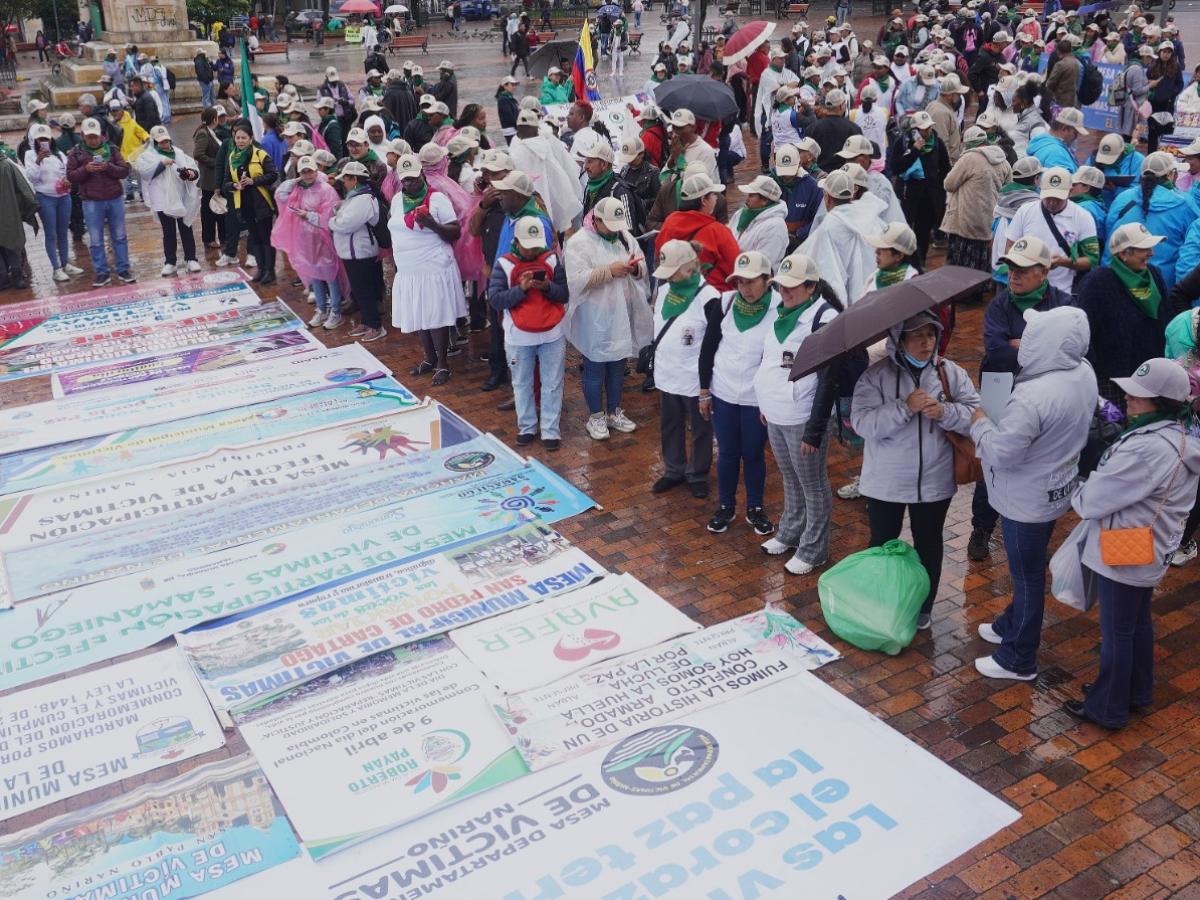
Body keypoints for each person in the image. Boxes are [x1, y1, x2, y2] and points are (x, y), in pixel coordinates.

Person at [1065, 358, 1200, 728]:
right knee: (1137, 621)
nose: (1128, 398)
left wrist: (1082, 483)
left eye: (1139, 395)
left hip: (1125, 550)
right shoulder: (1183, 432)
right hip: (1153, 547)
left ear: (1161, 402)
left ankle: (1107, 707)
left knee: (1117, 632)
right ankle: (1137, 691)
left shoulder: (1146, 449)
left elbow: (1091, 501)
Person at [972, 296, 1096, 679]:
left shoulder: (1033, 396)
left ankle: (1018, 658)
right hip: (1055, 486)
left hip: (1023, 497)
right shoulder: (1084, 371)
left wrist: (979, 421)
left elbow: (1001, 451)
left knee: (1026, 577)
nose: (1025, 338)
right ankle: (1010, 624)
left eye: (1032, 333)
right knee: (1031, 567)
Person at [852, 310, 981, 630]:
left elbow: (977, 414)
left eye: (931, 334)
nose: (926, 342)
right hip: (886, 483)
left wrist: (945, 412)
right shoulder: (875, 376)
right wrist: (904, 407)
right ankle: (879, 603)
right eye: (916, 335)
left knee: (929, 542)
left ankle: (923, 607)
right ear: (898, 339)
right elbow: (863, 423)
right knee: (882, 543)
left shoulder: (949, 373)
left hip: (933, 481)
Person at [968, 235, 1076, 562]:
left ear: (1043, 272)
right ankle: (981, 527)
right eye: (1011, 267)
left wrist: (1020, 344)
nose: (1013, 275)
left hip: (1045, 393)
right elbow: (997, 352)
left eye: (1022, 269)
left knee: (1040, 457)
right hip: (1000, 386)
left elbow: (1071, 351)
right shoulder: (999, 304)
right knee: (992, 458)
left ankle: (1033, 522)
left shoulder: (1064, 303)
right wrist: (1039, 345)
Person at [693, 250, 781, 538]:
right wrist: (704, 391)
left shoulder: (780, 307)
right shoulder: (726, 302)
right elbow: (708, 349)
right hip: (725, 392)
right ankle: (726, 506)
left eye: (752, 281)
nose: (745, 287)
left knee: (754, 452)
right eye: (740, 281)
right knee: (728, 452)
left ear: (768, 280)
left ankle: (755, 508)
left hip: (758, 398)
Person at [563, 196, 650, 441]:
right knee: (595, 365)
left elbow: (641, 263)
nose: (613, 230)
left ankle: (614, 411)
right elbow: (576, 279)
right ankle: (596, 415)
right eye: (608, 226)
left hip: (620, 312)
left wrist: (634, 268)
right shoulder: (579, 242)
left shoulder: (623, 235)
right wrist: (608, 271)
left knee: (618, 363)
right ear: (596, 220)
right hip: (594, 316)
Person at [488, 215, 570, 450]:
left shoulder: (552, 259)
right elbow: (495, 299)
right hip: (518, 335)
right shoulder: (504, 264)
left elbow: (564, 294)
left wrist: (547, 288)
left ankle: (550, 430)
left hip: (552, 332)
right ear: (517, 242)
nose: (533, 251)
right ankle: (526, 427)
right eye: (528, 245)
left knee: (552, 382)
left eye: (537, 245)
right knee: (521, 383)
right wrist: (521, 290)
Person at [650, 240, 720, 497]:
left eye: (672, 271)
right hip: (667, 373)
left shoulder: (709, 298)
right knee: (670, 424)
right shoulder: (665, 290)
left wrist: (706, 384)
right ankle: (673, 469)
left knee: (701, 428)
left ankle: (698, 472)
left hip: (693, 377)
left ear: (689, 269)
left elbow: (715, 342)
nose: (667, 277)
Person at [1079, 224, 1172, 411]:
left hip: (1151, 375)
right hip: (1114, 381)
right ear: (1123, 254)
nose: (1151, 253)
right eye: (1144, 249)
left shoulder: (1154, 275)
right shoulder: (1098, 282)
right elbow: (1085, 332)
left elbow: (1166, 316)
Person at [391, 153, 464, 383]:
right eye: (405, 180)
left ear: (422, 175)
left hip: (433, 267)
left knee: (435, 313)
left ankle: (443, 363)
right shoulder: (396, 201)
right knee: (419, 313)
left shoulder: (437, 199)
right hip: (409, 269)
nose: (409, 184)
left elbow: (455, 232)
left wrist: (431, 223)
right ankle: (429, 358)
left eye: (413, 179)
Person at [1104, 151, 1200, 289]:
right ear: (1170, 175)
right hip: (1161, 289)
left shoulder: (1122, 198)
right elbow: (1193, 248)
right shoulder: (1185, 204)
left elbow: (1110, 234)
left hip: (1118, 281)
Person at [274, 155, 344, 329]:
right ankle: (321, 309)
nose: (307, 175)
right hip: (305, 240)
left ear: (316, 170)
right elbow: (280, 194)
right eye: (303, 171)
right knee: (315, 275)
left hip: (323, 239)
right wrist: (296, 180)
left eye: (310, 171)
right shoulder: (298, 189)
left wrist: (308, 215)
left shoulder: (326, 189)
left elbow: (330, 215)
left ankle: (335, 311)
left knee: (330, 275)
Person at [1004, 166, 1097, 296]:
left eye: (1058, 198)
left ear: (1070, 192)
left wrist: (1064, 262)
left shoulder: (1083, 217)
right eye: (1048, 197)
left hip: (1061, 292)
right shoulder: (1025, 211)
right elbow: (1009, 246)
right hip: (1026, 291)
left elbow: (1092, 259)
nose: (1052, 203)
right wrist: (1023, 265)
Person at [66, 118, 133, 288]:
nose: (93, 140)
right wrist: (86, 169)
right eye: (89, 137)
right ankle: (102, 272)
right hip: (91, 202)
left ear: (101, 135)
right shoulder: (76, 153)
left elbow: (124, 171)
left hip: (114, 198)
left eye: (95, 136)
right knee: (96, 240)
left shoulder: (112, 149)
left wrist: (108, 167)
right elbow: (71, 176)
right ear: (83, 136)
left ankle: (123, 269)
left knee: (119, 236)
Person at [941, 125, 1011, 273]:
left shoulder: (969, 158)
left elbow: (949, 184)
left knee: (962, 270)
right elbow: (1008, 190)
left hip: (968, 222)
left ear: (968, 143)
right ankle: (981, 290)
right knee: (982, 267)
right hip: (991, 222)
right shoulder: (1003, 160)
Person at [330, 159, 386, 343]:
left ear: (353, 179)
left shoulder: (363, 199)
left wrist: (332, 221)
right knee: (359, 289)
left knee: (364, 289)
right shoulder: (356, 197)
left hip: (360, 252)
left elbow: (346, 223)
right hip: (352, 252)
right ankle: (366, 321)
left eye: (345, 179)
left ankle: (375, 325)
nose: (343, 183)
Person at [656, 172, 740, 292]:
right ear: (703, 200)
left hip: (677, 295)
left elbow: (660, 256)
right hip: (713, 296)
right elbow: (735, 269)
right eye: (713, 194)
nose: (716, 197)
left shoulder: (669, 223)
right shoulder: (718, 231)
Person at [886, 109, 949, 265]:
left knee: (924, 231)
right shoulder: (903, 143)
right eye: (923, 128)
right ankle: (904, 260)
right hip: (908, 194)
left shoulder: (937, 143)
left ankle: (919, 262)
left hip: (929, 196)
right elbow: (896, 167)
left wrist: (942, 195)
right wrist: (914, 151)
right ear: (915, 130)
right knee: (906, 228)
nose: (927, 131)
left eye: (929, 127)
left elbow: (945, 169)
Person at [138, 125, 201, 277]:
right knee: (168, 231)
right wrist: (162, 164)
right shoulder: (147, 156)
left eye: (166, 141)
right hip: (161, 199)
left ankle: (191, 258)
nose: (165, 144)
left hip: (180, 197)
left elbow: (193, 169)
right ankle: (170, 262)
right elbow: (146, 174)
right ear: (154, 142)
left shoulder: (178, 153)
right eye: (161, 142)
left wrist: (191, 174)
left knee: (186, 227)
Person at [508, 109, 583, 234]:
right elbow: (563, 173)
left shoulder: (517, 153)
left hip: (528, 210)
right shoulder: (548, 144)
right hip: (553, 207)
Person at [221, 121, 277, 285]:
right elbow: (226, 180)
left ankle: (270, 270)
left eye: (243, 138)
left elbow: (273, 174)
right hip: (243, 203)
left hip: (261, 202)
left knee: (265, 236)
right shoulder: (232, 157)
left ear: (251, 138)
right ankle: (260, 269)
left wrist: (254, 181)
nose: (240, 141)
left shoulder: (260, 155)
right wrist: (233, 185)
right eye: (237, 138)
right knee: (254, 236)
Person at [23, 124, 81, 282]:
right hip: (45, 197)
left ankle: (65, 263)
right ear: (34, 140)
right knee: (51, 233)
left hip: (63, 196)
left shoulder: (59, 154)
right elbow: (32, 178)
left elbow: (67, 172)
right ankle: (56, 268)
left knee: (63, 232)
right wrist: (38, 160)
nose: (43, 141)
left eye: (46, 138)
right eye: (40, 139)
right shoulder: (30, 154)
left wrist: (67, 180)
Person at [730, 175, 788, 269]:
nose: (747, 199)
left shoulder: (775, 226)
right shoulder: (741, 213)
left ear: (764, 200)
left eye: (751, 195)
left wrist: (733, 253)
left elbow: (763, 263)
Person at [581, 142, 640, 232]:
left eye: (590, 162)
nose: (585, 166)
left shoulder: (619, 191)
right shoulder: (589, 188)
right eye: (585, 161)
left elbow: (629, 231)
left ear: (604, 165)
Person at [192, 108, 226, 251]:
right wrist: (216, 162)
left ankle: (222, 236)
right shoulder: (203, 133)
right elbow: (198, 154)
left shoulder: (210, 132)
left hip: (215, 178)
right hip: (209, 179)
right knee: (209, 211)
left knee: (218, 208)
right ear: (214, 119)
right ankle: (209, 238)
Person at [1089, 132, 1144, 207]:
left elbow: (1139, 191)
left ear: (1122, 152)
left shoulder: (1138, 161)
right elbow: (1084, 179)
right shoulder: (1094, 157)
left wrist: (1116, 190)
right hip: (1098, 206)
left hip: (1122, 207)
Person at [1147, 40, 1183, 152]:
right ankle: (1151, 155)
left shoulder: (1176, 67)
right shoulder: (1153, 65)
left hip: (1168, 105)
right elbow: (1147, 82)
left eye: (1169, 52)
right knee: (1153, 132)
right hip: (1154, 105)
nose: (1166, 54)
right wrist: (1152, 95)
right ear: (1159, 52)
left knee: (1167, 132)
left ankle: (1165, 156)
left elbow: (1180, 83)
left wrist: (1171, 94)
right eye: (1164, 51)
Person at [1027, 107, 1087, 173]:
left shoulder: (1042, 142)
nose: (1076, 137)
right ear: (1065, 128)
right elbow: (1063, 182)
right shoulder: (1057, 153)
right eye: (1075, 133)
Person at [1044, 37, 1082, 108]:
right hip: (1072, 100)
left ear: (1058, 51)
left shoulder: (1060, 64)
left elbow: (1050, 83)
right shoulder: (1077, 63)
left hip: (1059, 100)